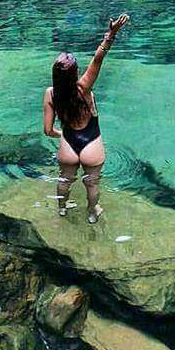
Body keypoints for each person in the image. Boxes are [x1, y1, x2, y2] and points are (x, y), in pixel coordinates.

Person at [42, 14, 130, 223]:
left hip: (68, 147)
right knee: (92, 183)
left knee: (65, 179)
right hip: (91, 143)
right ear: (75, 74)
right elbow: (99, 57)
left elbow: (47, 130)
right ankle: (92, 212)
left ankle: (62, 209)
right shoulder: (84, 88)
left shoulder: (50, 93)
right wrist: (111, 33)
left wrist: (63, 135)